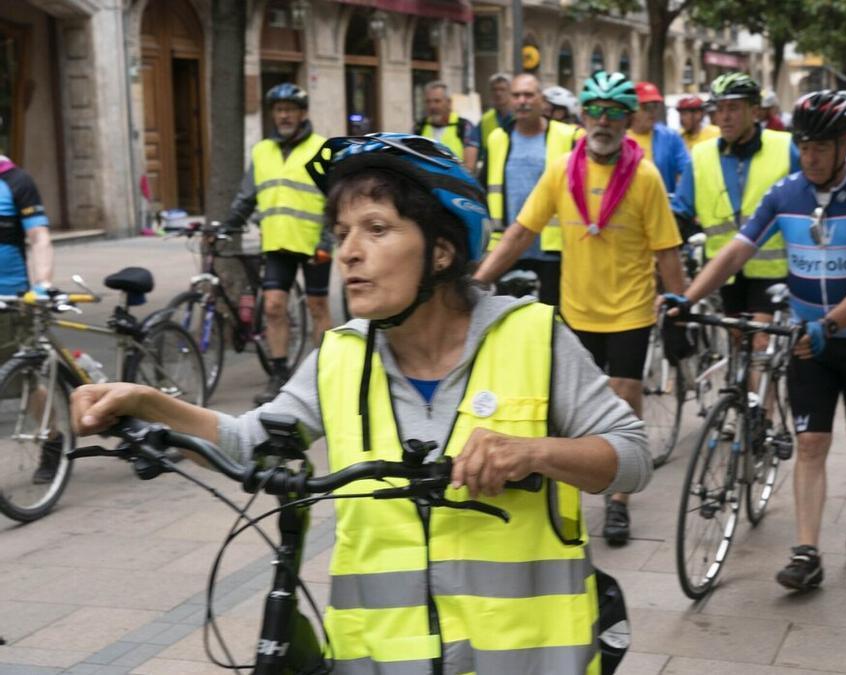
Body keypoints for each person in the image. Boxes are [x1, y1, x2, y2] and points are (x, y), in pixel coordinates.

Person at [72, 131, 650, 674]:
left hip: (524, 656)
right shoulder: (339, 357)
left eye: (376, 229)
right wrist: (148, 403)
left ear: (442, 251)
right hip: (380, 658)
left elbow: (631, 455)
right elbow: (252, 442)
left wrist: (535, 452)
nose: (347, 253)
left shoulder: (533, 337)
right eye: (341, 232)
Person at [669, 90, 846, 592]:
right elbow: (734, 253)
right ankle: (807, 551)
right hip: (806, 339)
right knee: (811, 442)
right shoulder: (786, 193)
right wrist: (686, 299)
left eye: (820, 148)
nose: (809, 157)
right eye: (804, 146)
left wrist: (832, 323)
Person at [476, 70, 686, 546]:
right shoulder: (561, 170)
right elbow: (521, 232)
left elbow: (667, 252)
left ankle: (618, 501)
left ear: (628, 120)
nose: (603, 121)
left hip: (630, 308)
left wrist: (680, 309)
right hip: (577, 308)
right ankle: (566, 483)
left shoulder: (646, 177)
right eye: (594, 111)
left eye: (614, 113)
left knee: (624, 391)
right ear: (582, 116)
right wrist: (477, 281)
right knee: (565, 409)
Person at [225, 83, 333, 404]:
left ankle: (328, 372)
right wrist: (227, 225)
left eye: (290, 110)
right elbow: (247, 197)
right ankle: (279, 372)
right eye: (279, 110)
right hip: (277, 243)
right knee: (273, 307)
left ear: (302, 114)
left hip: (315, 244)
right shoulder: (262, 152)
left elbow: (335, 199)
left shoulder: (322, 148)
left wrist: (327, 241)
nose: (284, 115)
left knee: (318, 307)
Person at [672, 71, 799, 343]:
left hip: (771, 271)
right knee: (737, 344)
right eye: (719, 109)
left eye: (733, 108)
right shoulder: (701, 155)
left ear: (754, 111)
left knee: (760, 345)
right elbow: (681, 211)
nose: (724, 117)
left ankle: (761, 383)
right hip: (724, 272)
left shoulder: (785, 146)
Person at [483, 73, 580, 305]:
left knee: (551, 320)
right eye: (516, 95)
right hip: (509, 248)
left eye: (528, 95)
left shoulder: (568, 137)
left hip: (554, 250)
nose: (522, 101)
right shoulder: (498, 139)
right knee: (508, 319)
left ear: (541, 101)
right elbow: (482, 189)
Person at [0, 155, 59, 482]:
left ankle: (53, 442)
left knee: (28, 377)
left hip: (10, 299)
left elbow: (38, 238)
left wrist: (42, 285)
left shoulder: (16, 181)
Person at [629, 82, 691, 196]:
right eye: (646, 107)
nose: (652, 111)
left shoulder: (670, 137)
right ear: (633, 109)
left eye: (655, 106)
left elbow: (686, 172)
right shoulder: (621, 137)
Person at [415, 80, 479, 170]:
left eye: (437, 101)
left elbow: (469, 167)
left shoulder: (465, 127)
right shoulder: (419, 127)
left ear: (449, 103)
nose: (432, 106)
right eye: (428, 102)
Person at [470, 73, 514, 159]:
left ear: (511, 92)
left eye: (502, 89)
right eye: (494, 90)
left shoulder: (520, 118)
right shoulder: (485, 120)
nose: (498, 93)